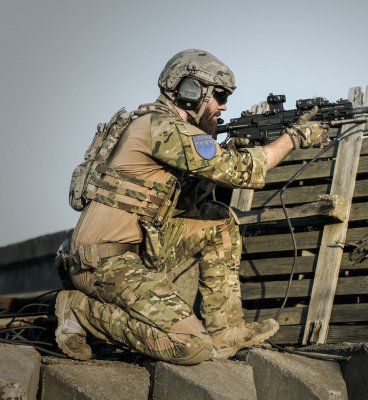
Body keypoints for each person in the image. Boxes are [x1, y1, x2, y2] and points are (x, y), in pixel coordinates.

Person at [55, 49, 328, 365]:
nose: (224, 105)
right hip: (103, 262)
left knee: (218, 222)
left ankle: (225, 331)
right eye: (219, 95)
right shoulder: (160, 126)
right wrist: (294, 138)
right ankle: (78, 309)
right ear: (191, 91)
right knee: (191, 347)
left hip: (136, 252)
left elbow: (186, 204)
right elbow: (241, 171)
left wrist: (229, 147)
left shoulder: (164, 127)